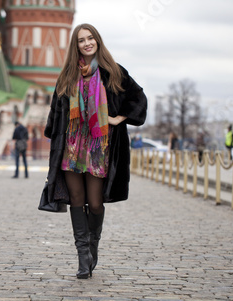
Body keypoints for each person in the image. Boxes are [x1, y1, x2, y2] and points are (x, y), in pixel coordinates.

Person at [43, 23, 147, 279]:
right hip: (72, 147)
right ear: (75, 45)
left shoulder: (113, 72)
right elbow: (55, 113)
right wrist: (56, 139)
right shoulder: (67, 76)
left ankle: (92, 247)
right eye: (81, 40)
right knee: (76, 201)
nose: (87, 43)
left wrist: (118, 118)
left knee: (96, 202)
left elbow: (139, 98)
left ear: (97, 41)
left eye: (90, 38)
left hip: (100, 147)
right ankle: (82, 259)